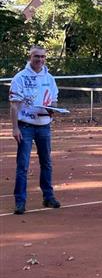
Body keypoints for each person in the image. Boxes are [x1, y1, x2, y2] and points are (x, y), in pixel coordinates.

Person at [9, 46, 61, 215]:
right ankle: (20, 201)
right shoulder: (20, 77)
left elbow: (53, 101)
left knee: (46, 162)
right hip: (25, 126)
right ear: (30, 57)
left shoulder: (49, 78)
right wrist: (15, 128)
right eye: (37, 56)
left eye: (43, 57)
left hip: (44, 126)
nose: (40, 59)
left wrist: (53, 108)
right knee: (22, 165)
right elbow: (14, 105)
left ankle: (48, 197)